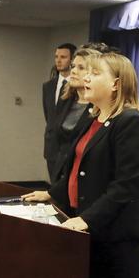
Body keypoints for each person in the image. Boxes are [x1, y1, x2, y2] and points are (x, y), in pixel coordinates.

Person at [24, 52, 139, 278]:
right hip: (88, 228)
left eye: (95, 73)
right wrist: (53, 193)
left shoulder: (130, 122)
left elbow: (126, 185)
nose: (86, 79)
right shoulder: (95, 118)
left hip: (114, 234)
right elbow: (78, 168)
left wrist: (87, 219)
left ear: (116, 83)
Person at [50, 47, 100, 183]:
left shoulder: (100, 107)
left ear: (95, 73)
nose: (73, 71)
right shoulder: (65, 100)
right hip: (60, 172)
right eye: (73, 66)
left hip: (84, 175)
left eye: (81, 68)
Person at [43, 42, 77, 184]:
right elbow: (49, 116)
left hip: (70, 145)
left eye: (63, 57)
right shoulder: (48, 86)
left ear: (72, 60)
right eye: (56, 56)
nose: (58, 60)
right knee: (54, 186)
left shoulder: (78, 86)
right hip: (52, 146)